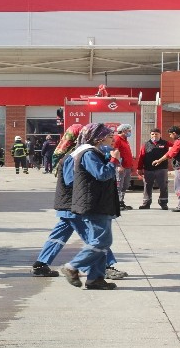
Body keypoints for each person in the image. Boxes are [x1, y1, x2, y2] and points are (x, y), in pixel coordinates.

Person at [31, 125, 127, 281]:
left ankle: (41, 264)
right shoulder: (76, 155)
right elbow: (72, 181)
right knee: (96, 238)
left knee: (61, 235)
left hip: (71, 203)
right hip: (73, 204)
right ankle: (105, 267)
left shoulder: (75, 154)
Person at [59, 123, 121, 290]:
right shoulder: (88, 153)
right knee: (103, 240)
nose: (112, 139)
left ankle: (96, 278)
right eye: (109, 136)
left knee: (99, 243)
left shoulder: (95, 152)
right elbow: (101, 174)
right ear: (99, 138)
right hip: (94, 203)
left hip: (99, 203)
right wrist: (114, 160)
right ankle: (72, 266)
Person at [152, 126, 180, 212]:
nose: (170, 136)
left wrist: (160, 160)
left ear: (174, 133)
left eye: (170, 134)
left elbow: (171, 153)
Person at [137, 128, 170, 210]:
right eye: (152, 134)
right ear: (150, 135)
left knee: (163, 186)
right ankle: (146, 203)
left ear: (160, 135)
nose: (154, 136)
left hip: (162, 169)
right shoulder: (146, 144)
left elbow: (174, 150)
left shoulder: (165, 143)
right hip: (148, 169)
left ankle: (163, 203)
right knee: (147, 186)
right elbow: (141, 157)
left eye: (156, 134)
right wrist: (139, 168)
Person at [113, 124, 134, 210]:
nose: (130, 132)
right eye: (129, 130)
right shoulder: (117, 139)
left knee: (125, 185)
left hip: (127, 167)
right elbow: (114, 152)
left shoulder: (125, 140)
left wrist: (131, 166)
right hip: (121, 167)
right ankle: (116, 203)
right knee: (119, 185)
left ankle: (121, 201)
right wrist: (118, 165)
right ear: (124, 130)